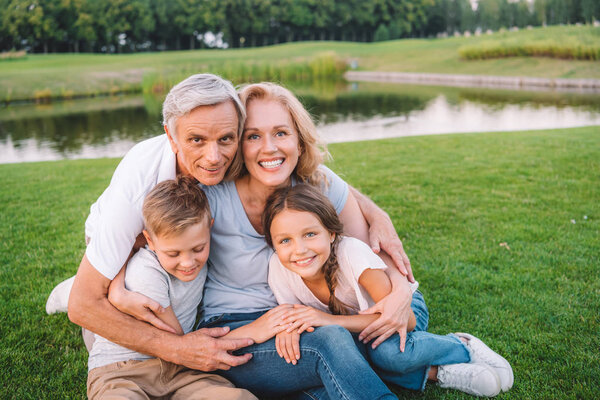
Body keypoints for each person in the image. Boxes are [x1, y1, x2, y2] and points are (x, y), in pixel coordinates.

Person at [46, 75, 413, 398]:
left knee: (334, 353)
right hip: (129, 251)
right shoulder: (150, 181)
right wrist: (175, 345)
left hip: (274, 312)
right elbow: (96, 295)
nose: (213, 155)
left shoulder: (243, 167)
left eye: (227, 138)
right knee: (117, 315)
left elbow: (319, 184)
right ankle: (79, 282)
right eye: (196, 140)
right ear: (171, 138)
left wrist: (375, 213)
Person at [263, 183, 514, 397]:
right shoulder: (279, 267)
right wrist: (289, 330)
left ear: (330, 233)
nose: (299, 250)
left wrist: (327, 320)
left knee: (388, 352)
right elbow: (293, 318)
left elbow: (408, 321)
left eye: (309, 234)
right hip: (356, 327)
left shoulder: (351, 255)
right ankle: (437, 373)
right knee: (350, 359)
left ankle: (462, 345)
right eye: (285, 240)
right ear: (274, 244)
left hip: (403, 309)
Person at [87, 176, 260, 400]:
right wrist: (258, 330)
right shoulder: (146, 272)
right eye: (173, 253)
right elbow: (178, 341)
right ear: (149, 240)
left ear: (210, 228)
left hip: (181, 370)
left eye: (198, 248)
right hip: (123, 369)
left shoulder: (202, 256)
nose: (188, 263)